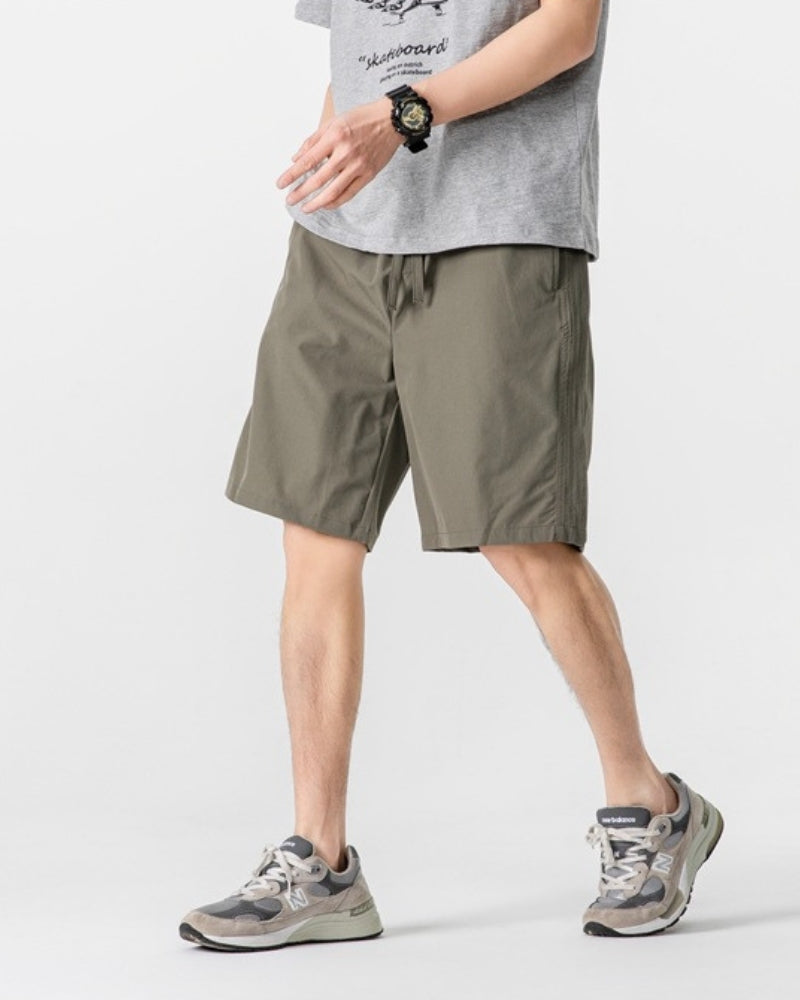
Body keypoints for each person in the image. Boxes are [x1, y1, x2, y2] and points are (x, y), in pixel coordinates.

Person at [179, 0, 723, 950]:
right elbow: (356, 54)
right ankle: (320, 863)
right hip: (344, 239)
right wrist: (333, 166)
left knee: (522, 535)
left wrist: (401, 117)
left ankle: (650, 806)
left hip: (498, 227)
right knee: (313, 534)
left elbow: (568, 29)